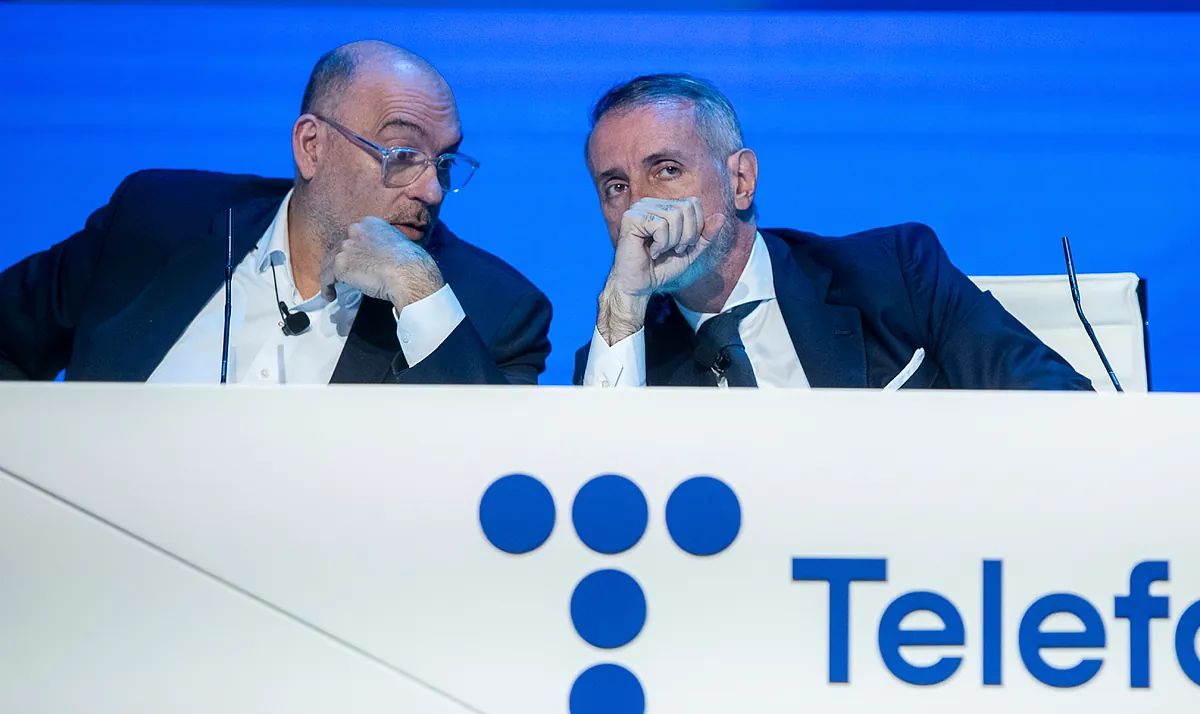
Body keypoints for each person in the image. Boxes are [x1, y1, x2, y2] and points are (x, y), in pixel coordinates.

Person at [0, 40, 550, 385]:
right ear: (312, 147)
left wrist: (418, 293)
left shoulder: (493, 310)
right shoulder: (154, 218)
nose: (431, 190)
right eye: (402, 155)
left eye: (444, 162)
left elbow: (491, 478)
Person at [574, 73, 1091, 390]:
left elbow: (1060, 404)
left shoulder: (894, 274)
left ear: (741, 181)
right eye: (615, 186)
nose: (640, 207)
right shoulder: (621, 353)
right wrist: (624, 301)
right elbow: (600, 499)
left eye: (666, 170)